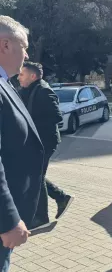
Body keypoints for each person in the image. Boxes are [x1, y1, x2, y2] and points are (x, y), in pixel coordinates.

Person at [0, 16, 45, 272]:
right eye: (23, 47)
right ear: (5, 45)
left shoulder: (6, 82)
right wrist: (8, 220)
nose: (27, 55)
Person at [17, 62, 75, 228]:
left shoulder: (43, 91)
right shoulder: (26, 89)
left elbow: (56, 116)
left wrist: (31, 124)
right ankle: (61, 197)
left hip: (45, 142)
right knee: (33, 174)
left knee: (36, 176)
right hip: (33, 142)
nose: (19, 77)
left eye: (22, 74)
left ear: (33, 76)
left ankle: (42, 217)